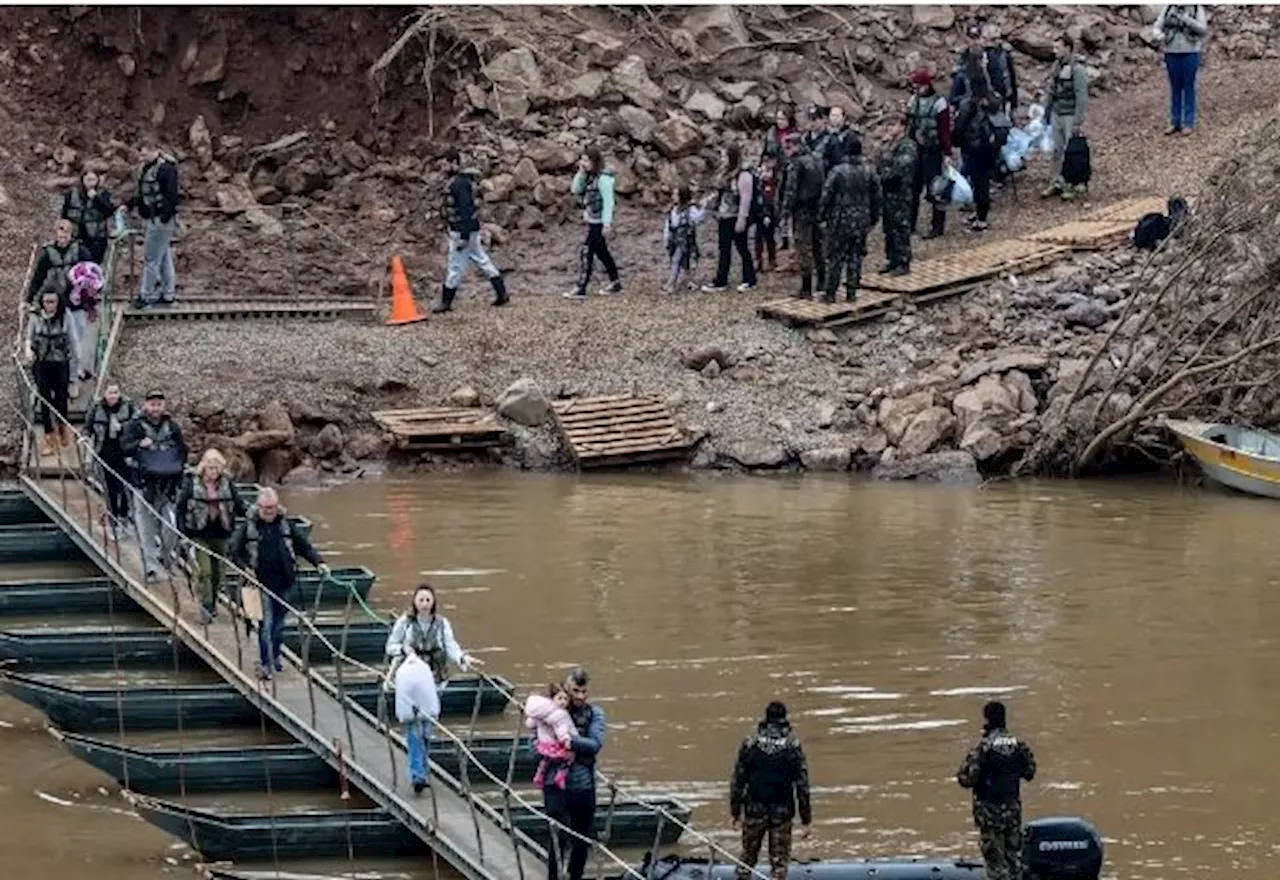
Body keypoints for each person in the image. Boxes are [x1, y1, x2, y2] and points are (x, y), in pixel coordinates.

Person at [229, 487, 329, 679]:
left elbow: (303, 547)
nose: (270, 511)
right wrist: (245, 568)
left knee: (279, 625)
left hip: (284, 582)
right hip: (259, 584)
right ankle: (265, 664)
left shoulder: (285, 525)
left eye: (273, 507)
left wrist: (319, 562)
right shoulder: (249, 527)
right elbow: (234, 550)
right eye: (266, 508)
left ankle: (275, 655)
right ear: (258, 507)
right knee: (265, 624)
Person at [729, 701, 812, 880]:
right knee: (779, 864)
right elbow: (802, 786)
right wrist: (806, 820)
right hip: (781, 812)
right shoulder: (792, 746)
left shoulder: (750, 743)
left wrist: (735, 812)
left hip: (754, 809)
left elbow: (738, 781)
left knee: (747, 859)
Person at [957, 701, 1037, 880]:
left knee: (996, 864)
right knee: (1014, 860)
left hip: (989, 813)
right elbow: (1030, 772)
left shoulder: (983, 748)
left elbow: (965, 779)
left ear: (986, 719)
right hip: (1012, 813)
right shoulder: (1019, 746)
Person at [541, 666, 605, 880]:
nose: (580, 696)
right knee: (557, 839)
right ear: (567, 688)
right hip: (555, 786)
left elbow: (595, 744)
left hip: (583, 786)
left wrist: (568, 745)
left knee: (582, 841)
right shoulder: (551, 710)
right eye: (576, 691)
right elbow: (535, 745)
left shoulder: (595, 713)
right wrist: (562, 750)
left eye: (584, 692)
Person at [121, 389, 188, 580]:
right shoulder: (134, 426)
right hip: (143, 484)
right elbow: (124, 448)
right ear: (145, 405)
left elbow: (182, 451)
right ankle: (150, 566)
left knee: (171, 527)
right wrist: (138, 445)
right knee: (145, 527)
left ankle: (164, 556)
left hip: (168, 486)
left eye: (159, 404)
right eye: (152, 404)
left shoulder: (172, 427)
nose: (156, 408)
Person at [432, 147, 508, 314]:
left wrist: (464, 236)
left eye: (445, 164)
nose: (443, 168)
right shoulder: (463, 182)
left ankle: (446, 301)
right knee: (482, 260)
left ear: (454, 163)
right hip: (468, 230)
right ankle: (501, 292)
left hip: (461, 231)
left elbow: (466, 210)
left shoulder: (458, 184)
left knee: (455, 266)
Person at [176, 449, 248, 623]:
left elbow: (239, 506)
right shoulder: (192, 484)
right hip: (200, 534)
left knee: (218, 573)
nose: (213, 472)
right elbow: (181, 508)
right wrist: (182, 532)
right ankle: (206, 607)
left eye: (216, 468)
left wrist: (254, 515)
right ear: (203, 468)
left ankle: (213, 603)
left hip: (221, 534)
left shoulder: (227, 484)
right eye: (210, 468)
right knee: (205, 572)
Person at [819, 138, 881, 304]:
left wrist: (822, 216)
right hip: (862, 219)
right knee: (856, 256)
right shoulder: (870, 171)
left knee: (835, 257)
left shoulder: (838, 171)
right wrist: (874, 218)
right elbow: (877, 197)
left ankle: (830, 293)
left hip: (841, 220)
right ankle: (852, 292)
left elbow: (826, 196)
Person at [384, 583, 480, 690]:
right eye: (421, 600)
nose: (424, 604)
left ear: (433, 602)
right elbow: (390, 647)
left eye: (428, 600)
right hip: (408, 674)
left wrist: (462, 657)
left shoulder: (442, 623)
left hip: (435, 676)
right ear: (414, 602)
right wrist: (403, 649)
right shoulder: (404, 622)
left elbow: (450, 646)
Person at [127, 143, 180, 308]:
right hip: (150, 217)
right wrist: (129, 205)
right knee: (163, 256)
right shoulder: (144, 169)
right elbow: (141, 193)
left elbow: (172, 195)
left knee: (151, 258)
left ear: (155, 151)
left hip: (160, 218)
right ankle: (168, 293)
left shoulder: (166, 169)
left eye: (144, 154)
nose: (142, 158)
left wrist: (165, 217)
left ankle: (145, 295)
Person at [23, 283, 74, 456]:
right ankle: (49, 437)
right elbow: (28, 338)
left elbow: (73, 341)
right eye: (46, 301)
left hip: (61, 363)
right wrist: (28, 350)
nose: (49, 305)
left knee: (61, 398)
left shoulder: (65, 316)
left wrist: (77, 369)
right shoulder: (36, 317)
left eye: (53, 301)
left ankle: (62, 427)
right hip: (42, 363)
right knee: (44, 400)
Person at [566, 146, 621, 300]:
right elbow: (575, 189)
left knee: (587, 251)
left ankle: (581, 286)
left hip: (599, 222)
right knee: (602, 252)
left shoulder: (604, 179)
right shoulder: (589, 176)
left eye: (586, 160)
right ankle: (615, 281)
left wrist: (607, 224)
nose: (583, 163)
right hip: (591, 219)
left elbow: (609, 202)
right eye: (582, 160)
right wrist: (581, 173)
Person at [701, 144, 757, 293]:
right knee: (724, 249)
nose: (723, 159)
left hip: (736, 215)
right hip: (724, 215)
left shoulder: (744, 175)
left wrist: (742, 218)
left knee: (742, 247)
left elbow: (746, 198)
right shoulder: (725, 173)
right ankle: (721, 280)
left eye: (725, 156)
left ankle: (749, 279)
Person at [904, 68, 952, 241]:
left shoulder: (940, 103)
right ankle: (909, 224)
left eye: (919, 86)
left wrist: (947, 153)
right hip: (916, 150)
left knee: (935, 189)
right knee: (913, 189)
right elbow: (909, 126)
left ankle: (937, 226)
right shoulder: (913, 101)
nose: (917, 90)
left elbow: (944, 130)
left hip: (934, 151)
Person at [953, 63, 1000, 234]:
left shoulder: (968, 104)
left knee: (978, 183)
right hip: (991, 147)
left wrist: (955, 142)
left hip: (973, 147)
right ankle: (981, 214)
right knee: (984, 182)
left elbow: (960, 127)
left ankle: (981, 220)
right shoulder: (992, 100)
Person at [85, 382, 140, 530]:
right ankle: (113, 517)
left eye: (116, 392)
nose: (113, 396)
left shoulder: (129, 406)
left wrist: (123, 428)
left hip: (125, 452)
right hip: (105, 452)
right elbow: (88, 426)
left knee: (125, 486)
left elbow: (137, 424)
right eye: (110, 393)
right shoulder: (97, 408)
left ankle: (124, 515)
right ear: (105, 394)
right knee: (110, 488)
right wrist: (85, 437)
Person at [1042, 36, 1089, 200]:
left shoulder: (1077, 69)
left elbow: (1081, 96)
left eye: (1058, 48)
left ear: (1068, 48)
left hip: (1070, 114)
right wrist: (1046, 112)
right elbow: (1050, 91)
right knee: (1057, 150)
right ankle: (1055, 181)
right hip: (1057, 112)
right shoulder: (1056, 67)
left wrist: (1078, 121)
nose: (1055, 51)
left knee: (1071, 151)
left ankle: (1070, 182)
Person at [780, 132, 826, 299]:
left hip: (801, 210)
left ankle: (806, 287)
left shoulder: (796, 164)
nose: (785, 151)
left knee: (803, 247)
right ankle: (822, 280)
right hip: (817, 208)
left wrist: (785, 210)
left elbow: (791, 190)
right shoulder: (816, 159)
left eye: (787, 147)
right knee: (818, 245)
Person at [1156, 5, 1208, 136]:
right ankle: (1175, 122)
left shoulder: (1196, 8)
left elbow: (1203, 29)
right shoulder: (1167, 8)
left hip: (1190, 52)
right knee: (1175, 88)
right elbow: (1157, 26)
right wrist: (1159, 35)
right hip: (1171, 52)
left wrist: (1187, 20)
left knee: (1188, 87)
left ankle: (1189, 122)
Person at [394, 648, 441, 795]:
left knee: (422, 738)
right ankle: (418, 776)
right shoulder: (416, 666)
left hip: (421, 701)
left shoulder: (415, 669)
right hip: (419, 705)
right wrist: (402, 649)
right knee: (417, 739)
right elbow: (392, 646)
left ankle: (420, 772)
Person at [877, 129, 918, 276]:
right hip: (888, 193)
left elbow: (899, 170)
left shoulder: (908, 146)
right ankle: (892, 259)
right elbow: (878, 161)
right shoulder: (889, 145)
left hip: (900, 193)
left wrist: (884, 173)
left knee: (901, 227)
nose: (890, 128)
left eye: (893, 124)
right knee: (889, 228)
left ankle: (903, 260)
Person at [524, 682, 575, 790]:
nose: (563, 702)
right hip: (554, 744)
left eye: (566, 699)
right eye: (560, 698)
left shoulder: (541, 712)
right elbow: (561, 729)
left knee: (545, 761)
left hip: (543, 745)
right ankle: (560, 776)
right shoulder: (560, 713)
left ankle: (539, 775)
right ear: (552, 698)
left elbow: (530, 724)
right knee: (568, 758)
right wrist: (566, 740)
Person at [64, 260, 104, 399]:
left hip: (78, 309)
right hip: (68, 309)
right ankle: (72, 378)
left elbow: (89, 296)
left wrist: (90, 307)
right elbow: (75, 297)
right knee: (73, 344)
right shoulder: (72, 283)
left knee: (79, 341)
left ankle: (76, 372)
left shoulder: (94, 275)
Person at [26, 219, 88, 307]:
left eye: (66, 237)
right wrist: (29, 299)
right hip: (55, 297)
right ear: (56, 235)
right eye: (61, 237)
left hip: (75, 296)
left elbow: (90, 273)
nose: (63, 240)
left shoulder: (80, 252)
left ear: (70, 235)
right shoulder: (48, 254)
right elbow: (38, 278)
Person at [61, 169, 117, 264]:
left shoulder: (103, 193)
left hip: (97, 238)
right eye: (88, 180)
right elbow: (64, 214)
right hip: (76, 236)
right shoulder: (71, 194)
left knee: (93, 265)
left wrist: (96, 199)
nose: (91, 183)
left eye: (93, 180)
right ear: (82, 180)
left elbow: (110, 211)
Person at [762, 105, 796, 251]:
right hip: (773, 172)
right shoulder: (771, 133)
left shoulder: (794, 134)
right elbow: (765, 152)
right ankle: (776, 236)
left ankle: (787, 237)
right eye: (778, 119)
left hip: (789, 172)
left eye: (783, 119)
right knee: (772, 204)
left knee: (786, 205)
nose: (780, 122)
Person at [661, 185, 706, 294]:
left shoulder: (689, 210)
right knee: (682, 262)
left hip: (685, 241)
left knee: (677, 260)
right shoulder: (673, 209)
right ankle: (690, 281)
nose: (673, 197)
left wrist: (703, 207)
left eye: (676, 195)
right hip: (674, 240)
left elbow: (699, 218)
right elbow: (669, 224)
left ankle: (671, 283)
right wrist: (666, 238)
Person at [753, 156, 780, 273]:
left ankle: (772, 260)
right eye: (762, 171)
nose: (764, 174)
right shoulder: (759, 184)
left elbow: (771, 201)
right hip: (759, 214)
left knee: (769, 238)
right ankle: (758, 260)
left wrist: (768, 214)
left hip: (770, 214)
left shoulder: (773, 186)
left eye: (767, 171)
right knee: (758, 238)